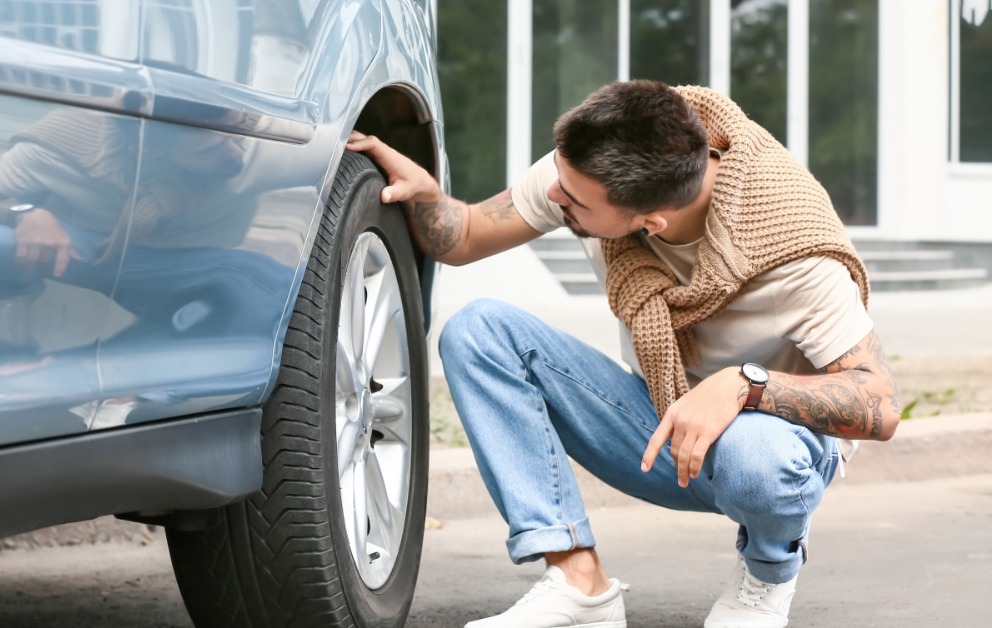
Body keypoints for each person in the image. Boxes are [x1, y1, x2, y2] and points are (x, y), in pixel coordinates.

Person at [346, 79, 900, 628]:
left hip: (770, 448)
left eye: (573, 198)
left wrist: (744, 386)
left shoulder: (796, 250)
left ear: (650, 223)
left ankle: (767, 576)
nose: (554, 196)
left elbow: (879, 402)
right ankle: (578, 581)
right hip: (657, 423)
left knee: (755, 452)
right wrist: (425, 195)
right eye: (559, 181)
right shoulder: (591, 169)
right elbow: (464, 234)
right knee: (478, 331)